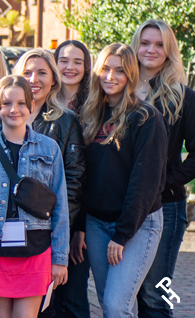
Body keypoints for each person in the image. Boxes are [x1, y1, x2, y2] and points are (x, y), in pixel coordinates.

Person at [0, 49, 87, 318]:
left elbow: (70, 184)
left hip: (38, 238)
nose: (34, 78)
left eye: (42, 72)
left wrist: (56, 240)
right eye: (27, 72)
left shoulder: (59, 130)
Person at [79, 44, 167, 318]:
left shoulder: (145, 118)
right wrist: (81, 226)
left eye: (119, 70)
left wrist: (122, 234)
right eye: (105, 69)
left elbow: (145, 182)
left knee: (117, 307)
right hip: (96, 224)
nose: (110, 76)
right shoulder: (91, 116)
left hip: (136, 226)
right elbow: (85, 177)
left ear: (130, 75)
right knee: (110, 304)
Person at [130, 20, 195, 318]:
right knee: (126, 292)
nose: (151, 50)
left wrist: (163, 182)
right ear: (136, 45)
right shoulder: (118, 90)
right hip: (121, 206)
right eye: (145, 43)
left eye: (159, 45)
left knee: (156, 297)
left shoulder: (183, 96)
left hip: (166, 206)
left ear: (169, 51)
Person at [55, 41, 91, 111]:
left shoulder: (96, 103)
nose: (70, 67)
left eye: (77, 62)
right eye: (64, 61)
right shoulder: (44, 101)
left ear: (86, 67)